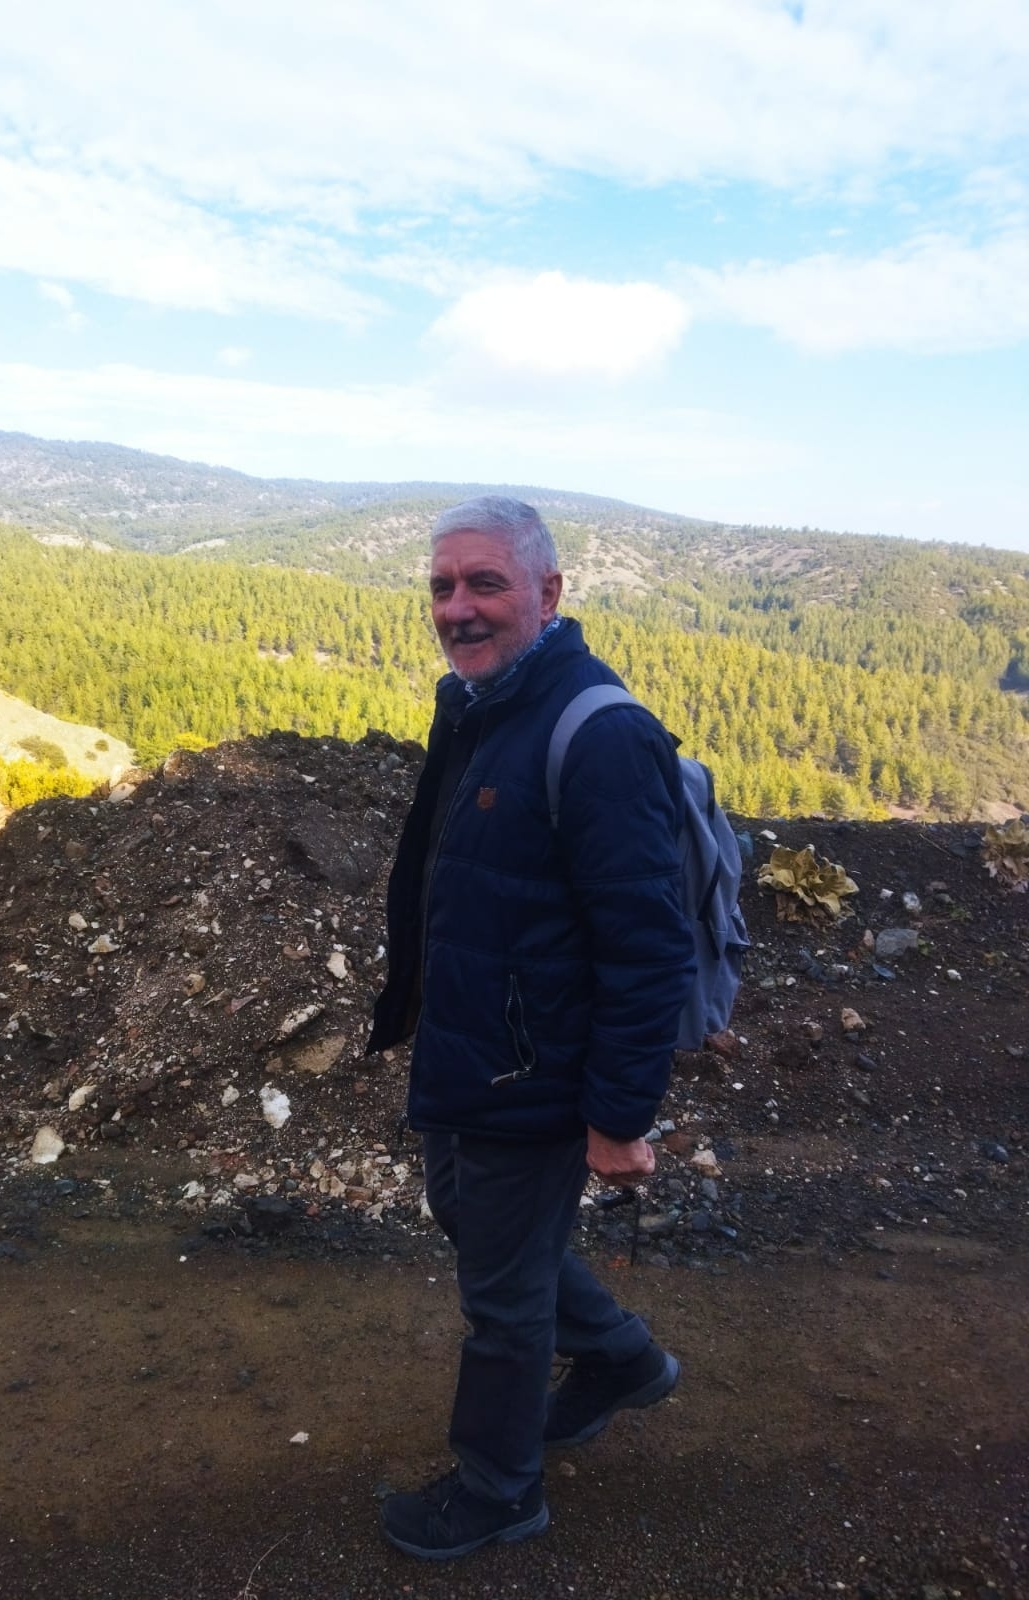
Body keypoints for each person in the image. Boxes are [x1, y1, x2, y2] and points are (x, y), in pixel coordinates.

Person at [368, 495, 697, 1561]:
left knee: (503, 1298)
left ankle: (499, 1490)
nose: (456, 608)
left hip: (533, 1067)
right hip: (471, 1044)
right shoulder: (483, 704)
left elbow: (648, 947)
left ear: (548, 593)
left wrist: (618, 1117)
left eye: (485, 584)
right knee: (466, 1211)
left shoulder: (596, 734)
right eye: (441, 587)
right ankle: (619, 1357)